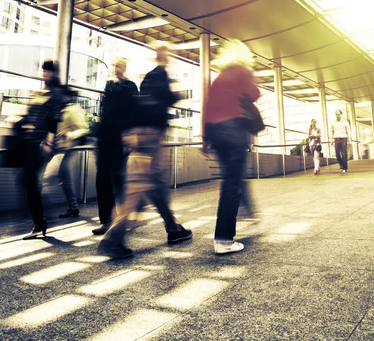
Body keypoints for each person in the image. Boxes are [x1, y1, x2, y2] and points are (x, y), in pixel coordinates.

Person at [98, 45, 192, 259]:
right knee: (138, 184)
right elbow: (166, 98)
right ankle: (113, 238)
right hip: (151, 135)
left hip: (139, 132)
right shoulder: (160, 75)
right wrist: (179, 94)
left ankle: (173, 228)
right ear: (164, 57)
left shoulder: (147, 79)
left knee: (154, 182)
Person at [202, 39, 261, 255]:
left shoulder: (219, 78)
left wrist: (205, 139)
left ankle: (223, 237)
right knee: (232, 186)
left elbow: (207, 107)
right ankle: (224, 239)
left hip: (216, 134)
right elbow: (254, 94)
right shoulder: (242, 71)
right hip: (233, 130)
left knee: (229, 183)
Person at [18, 60, 63, 239]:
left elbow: (54, 119)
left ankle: (40, 222)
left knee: (28, 179)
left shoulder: (56, 94)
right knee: (27, 181)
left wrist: (49, 142)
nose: (45, 74)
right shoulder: (39, 92)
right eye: (44, 71)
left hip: (41, 143)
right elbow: (29, 116)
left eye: (49, 72)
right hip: (29, 142)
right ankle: (40, 221)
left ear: (54, 73)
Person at [93, 58, 138, 235]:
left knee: (118, 178)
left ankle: (122, 217)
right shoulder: (109, 86)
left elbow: (134, 112)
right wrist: (97, 138)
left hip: (121, 137)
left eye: (119, 66)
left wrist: (131, 134)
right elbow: (103, 112)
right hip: (105, 137)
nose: (116, 68)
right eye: (114, 66)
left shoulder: (130, 87)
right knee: (102, 179)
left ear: (124, 68)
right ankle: (105, 220)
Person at [45, 86, 89, 218]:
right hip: (57, 149)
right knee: (64, 177)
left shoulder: (73, 110)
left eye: (63, 95)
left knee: (52, 176)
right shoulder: (60, 110)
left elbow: (84, 129)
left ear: (68, 97)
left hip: (68, 148)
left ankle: (67, 207)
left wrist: (68, 135)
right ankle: (73, 207)